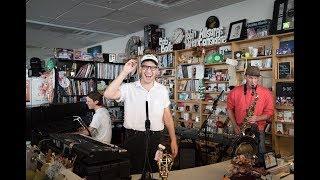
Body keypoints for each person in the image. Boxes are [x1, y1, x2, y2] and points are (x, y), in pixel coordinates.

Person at [104, 54, 178, 174]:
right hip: (134, 138)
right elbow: (108, 94)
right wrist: (124, 72)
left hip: (156, 138)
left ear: (157, 71)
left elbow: (167, 117)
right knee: (134, 172)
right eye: (145, 67)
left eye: (152, 68)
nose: (149, 71)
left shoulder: (162, 90)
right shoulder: (129, 88)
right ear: (140, 69)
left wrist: (173, 139)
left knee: (155, 171)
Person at [226, 66, 274, 166]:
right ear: (245, 77)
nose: (253, 81)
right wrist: (235, 126)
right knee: (238, 158)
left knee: (260, 156)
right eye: (250, 78)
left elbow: (270, 113)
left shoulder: (266, 93)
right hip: (240, 129)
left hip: (258, 129)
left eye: (256, 78)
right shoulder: (234, 92)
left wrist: (257, 118)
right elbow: (229, 109)